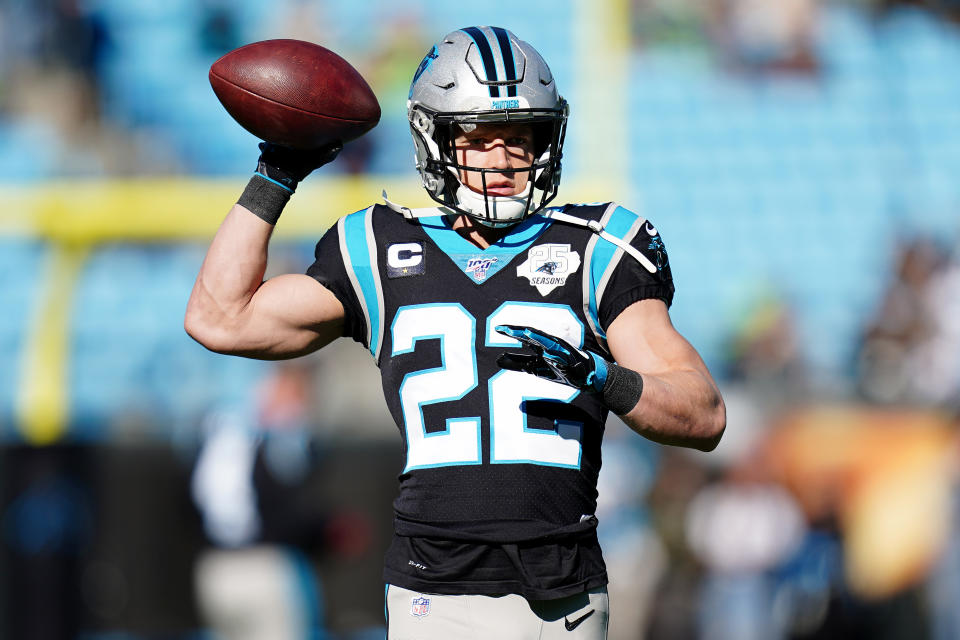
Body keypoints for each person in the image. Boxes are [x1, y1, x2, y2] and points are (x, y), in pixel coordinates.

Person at [185, 25, 726, 640]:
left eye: (520, 138)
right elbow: (217, 317)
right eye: (479, 136)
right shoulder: (377, 248)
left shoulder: (599, 247)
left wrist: (604, 377)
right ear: (435, 138)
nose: (501, 159)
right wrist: (277, 171)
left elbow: (703, 414)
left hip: (558, 594)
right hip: (427, 588)